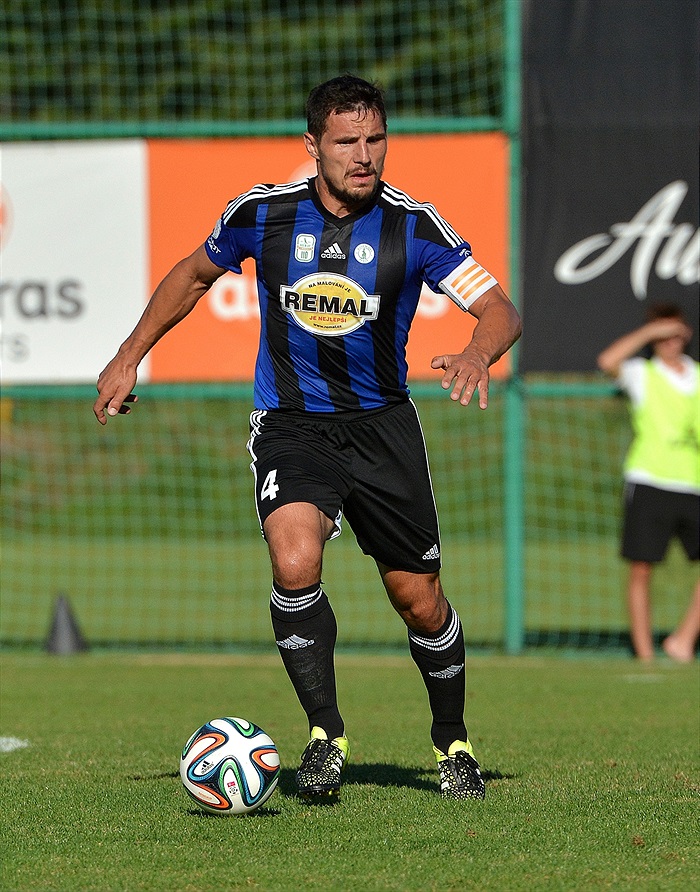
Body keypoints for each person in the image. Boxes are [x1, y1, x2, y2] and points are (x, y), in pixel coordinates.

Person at [93, 75, 521, 800]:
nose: (365, 155)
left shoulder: (416, 225)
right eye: (347, 141)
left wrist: (481, 351)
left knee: (420, 602)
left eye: (375, 140)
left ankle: (451, 741)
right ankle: (325, 734)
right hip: (292, 424)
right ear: (313, 145)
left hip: (384, 427)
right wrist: (131, 354)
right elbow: (193, 276)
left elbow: (500, 308)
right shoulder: (261, 215)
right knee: (294, 559)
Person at [597, 303, 699, 663]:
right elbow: (608, 361)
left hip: (693, 482)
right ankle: (645, 655)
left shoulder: (697, 376)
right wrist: (650, 331)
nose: (670, 340)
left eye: (676, 332)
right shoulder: (643, 373)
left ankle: (683, 640)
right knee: (641, 568)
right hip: (650, 479)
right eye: (663, 333)